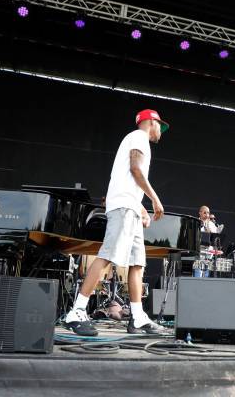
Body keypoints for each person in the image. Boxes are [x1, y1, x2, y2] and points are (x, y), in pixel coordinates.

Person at [64, 109, 169, 336]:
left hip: (129, 207)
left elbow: (127, 180)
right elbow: (135, 169)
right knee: (108, 255)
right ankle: (77, 310)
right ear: (152, 122)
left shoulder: (135, 139)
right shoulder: (139, 137)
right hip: (123, 208)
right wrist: (154, 199)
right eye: (159, 125)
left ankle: (138, 317)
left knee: (137, 263)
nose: (161, 130)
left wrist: (140, 208)